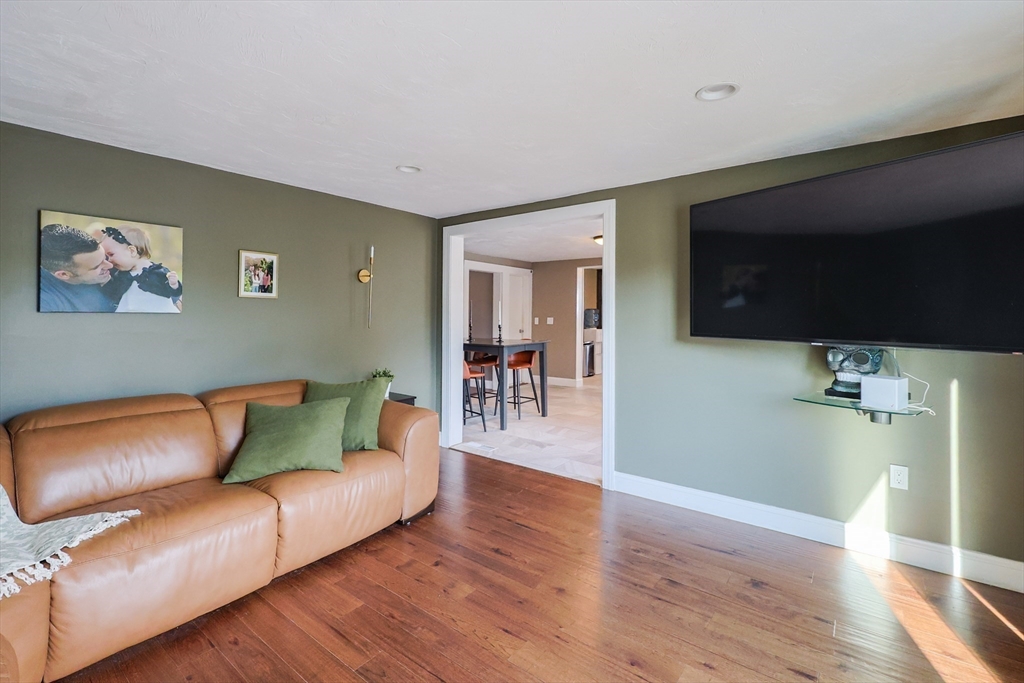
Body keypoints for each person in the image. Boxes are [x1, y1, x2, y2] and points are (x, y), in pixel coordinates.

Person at [97, 225, 181, 313]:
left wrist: (174, 284)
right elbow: (113, 295)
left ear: (132, 251)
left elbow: (175, 293)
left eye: (111, 254)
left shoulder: (158, 272)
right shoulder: (121, 275)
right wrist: (105, 282)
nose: (109, 261)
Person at [39, 224, 117, 312]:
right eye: (97, 266)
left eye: (105, 257)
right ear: (64, 274)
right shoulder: (45, 301)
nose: (110, 265)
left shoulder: (115, 259)